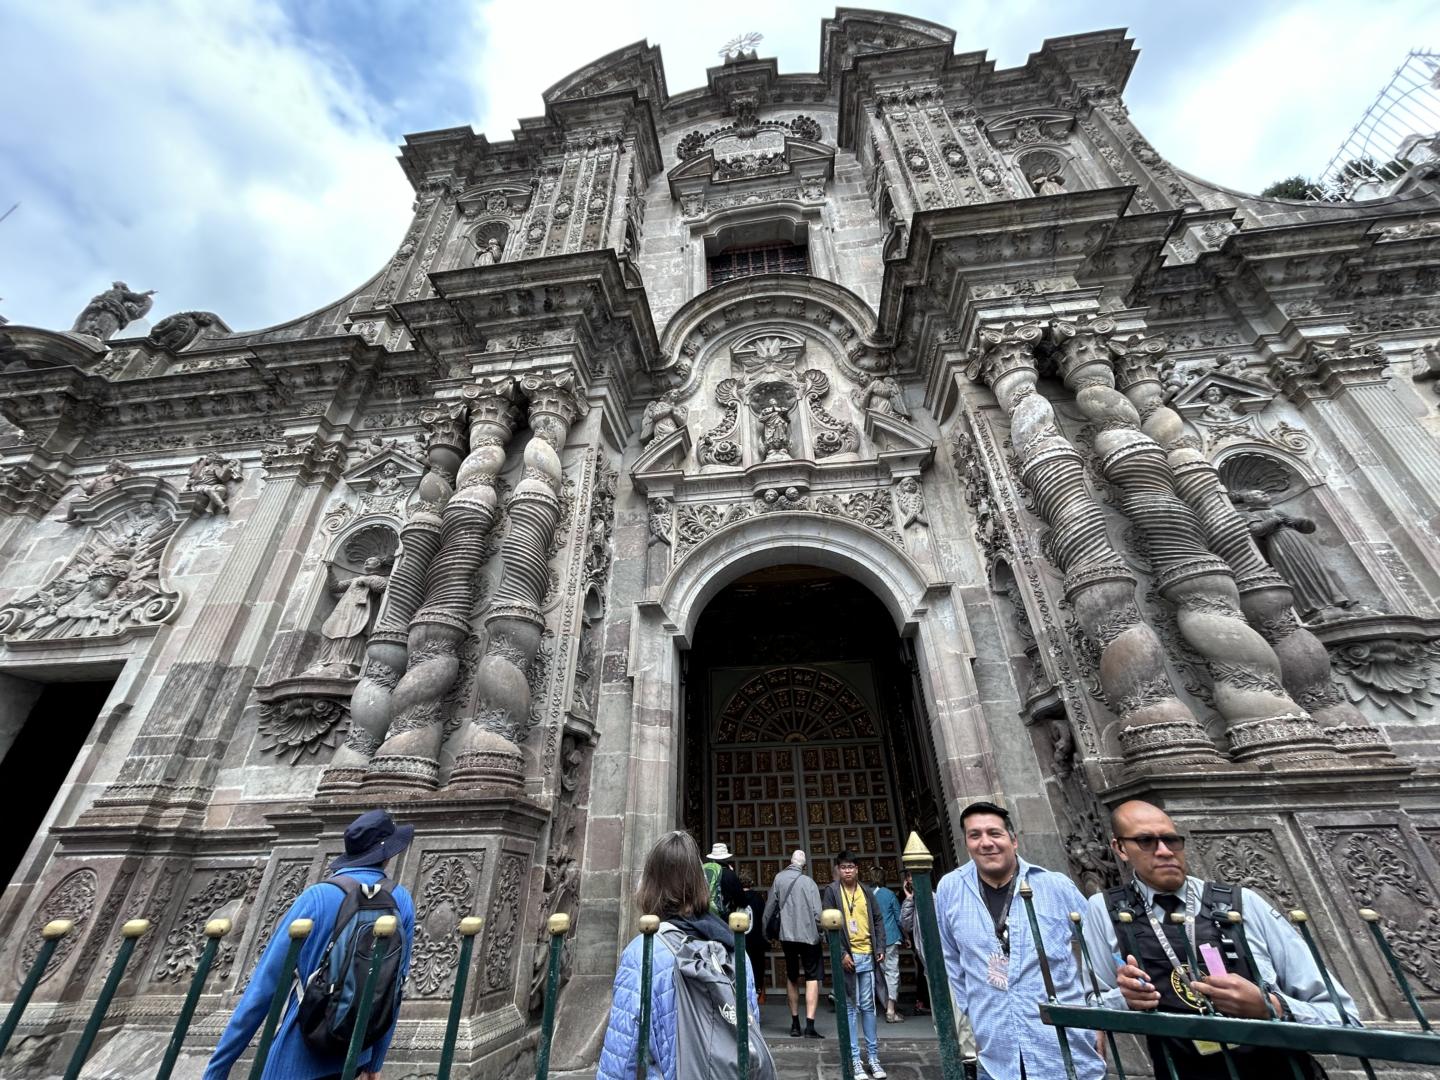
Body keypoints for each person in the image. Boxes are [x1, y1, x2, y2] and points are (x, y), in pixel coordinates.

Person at [1083, 799, 1360, 1080]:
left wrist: (1272, 1008)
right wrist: (1126, 999)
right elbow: (1089, 1005)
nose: (1165, 851)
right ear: (1119, 848)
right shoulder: (1107, 911)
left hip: (1278, 1069)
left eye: (1171, 840)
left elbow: (1342, 1015)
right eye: (1146, 841)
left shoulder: (1243, 904)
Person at [204, 809, 417, 1080]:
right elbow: (393, 987)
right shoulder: (401, 900)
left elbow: (263, 989)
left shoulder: (317, 897)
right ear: (386, 855)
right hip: (354, 1055)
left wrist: (218, 1068)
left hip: (298, 1054)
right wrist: (375, 1062)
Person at [935, 801, 1104, 1080]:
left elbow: (1096, 951)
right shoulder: (949, 889)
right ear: (966, 843)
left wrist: (1097, 1014)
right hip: (996, 1058)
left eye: (995, 833)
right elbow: (952, 959)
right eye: (975, 835)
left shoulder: (1055, 885)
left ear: (1013, 840)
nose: (986, 843)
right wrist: (977, 1016)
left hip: (1064, 1052)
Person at [596, 830, 763, 1080]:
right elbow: (750, 1030)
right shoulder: (735, 952)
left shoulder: (644, 952)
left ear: (649, 884)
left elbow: (623, 1053)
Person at [821, 850, 888, 1080]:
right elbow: (827, 923)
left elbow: (877, 919)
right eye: (843, 867)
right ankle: (853, 1058)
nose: (847, 871)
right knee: (850, 1007)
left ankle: (873, 1057)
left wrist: (880, 947)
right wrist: (840, 953)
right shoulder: (832, 891)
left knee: (868, 1006)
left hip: (867, 954)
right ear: (837, 870)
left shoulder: (866, 892)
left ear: (857, 869)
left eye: (851, 867)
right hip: (847, 957)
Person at [763, 849, 825, 1038]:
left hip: (787, 936)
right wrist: (822, 932)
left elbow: (769, 908)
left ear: (789, 862)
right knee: (812, 977)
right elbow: (818, 914)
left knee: (791, 976)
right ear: (804, 866)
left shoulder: (779, 879)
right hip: (809, 937)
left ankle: (795, 1024)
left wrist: (765, 932)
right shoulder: (809, 883)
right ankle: (810, 1025)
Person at [870, 871, 904, 1023]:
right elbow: (899, 918)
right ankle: (891, 1009)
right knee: (892, 973)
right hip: (890, 937)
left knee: (879, 975)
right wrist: (906, 936)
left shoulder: (866, 894)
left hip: (873, 940)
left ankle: (886, 1006)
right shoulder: (889, 894)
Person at [739, 874, 770, 1006]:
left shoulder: (737, 898)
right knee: (757, 969)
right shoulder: (758, 898)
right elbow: (763, 918)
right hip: (756, 941)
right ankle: (756, 995)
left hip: (741, 941)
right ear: (751, 883)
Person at [702, 841, 745, 917]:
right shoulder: (729, 874)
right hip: (722, 916)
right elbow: (741, 900)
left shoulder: (704, 870)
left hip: (703, 914)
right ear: (726, 857)